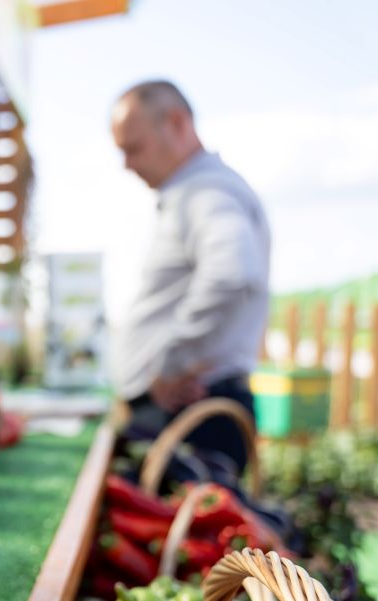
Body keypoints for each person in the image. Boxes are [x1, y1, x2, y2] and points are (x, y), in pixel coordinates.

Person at [110, 80, 270, 474]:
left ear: (177, 124)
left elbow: (231, 272)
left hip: (192, 409)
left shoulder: (204, 192)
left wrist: (169, 366)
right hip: (188, 406)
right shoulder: (198, 191)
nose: (127, 164)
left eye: (134, 147)